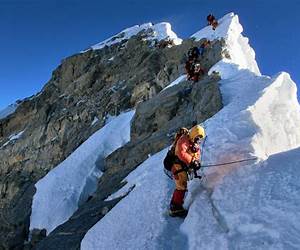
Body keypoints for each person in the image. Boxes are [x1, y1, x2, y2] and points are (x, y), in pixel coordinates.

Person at [169, 125, 205, 217]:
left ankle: (174, 204)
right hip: (177, 167)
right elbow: (181, 153)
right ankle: (175, 209)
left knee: (180, 186)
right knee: (181, 186)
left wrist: (196, 162)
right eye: (197, 137)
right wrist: (192, 161)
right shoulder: (183, 140)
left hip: (182, 167)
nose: (198, 140)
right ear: (193, 134)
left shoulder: (192, 141)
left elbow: (196, 153)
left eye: (200, 138)